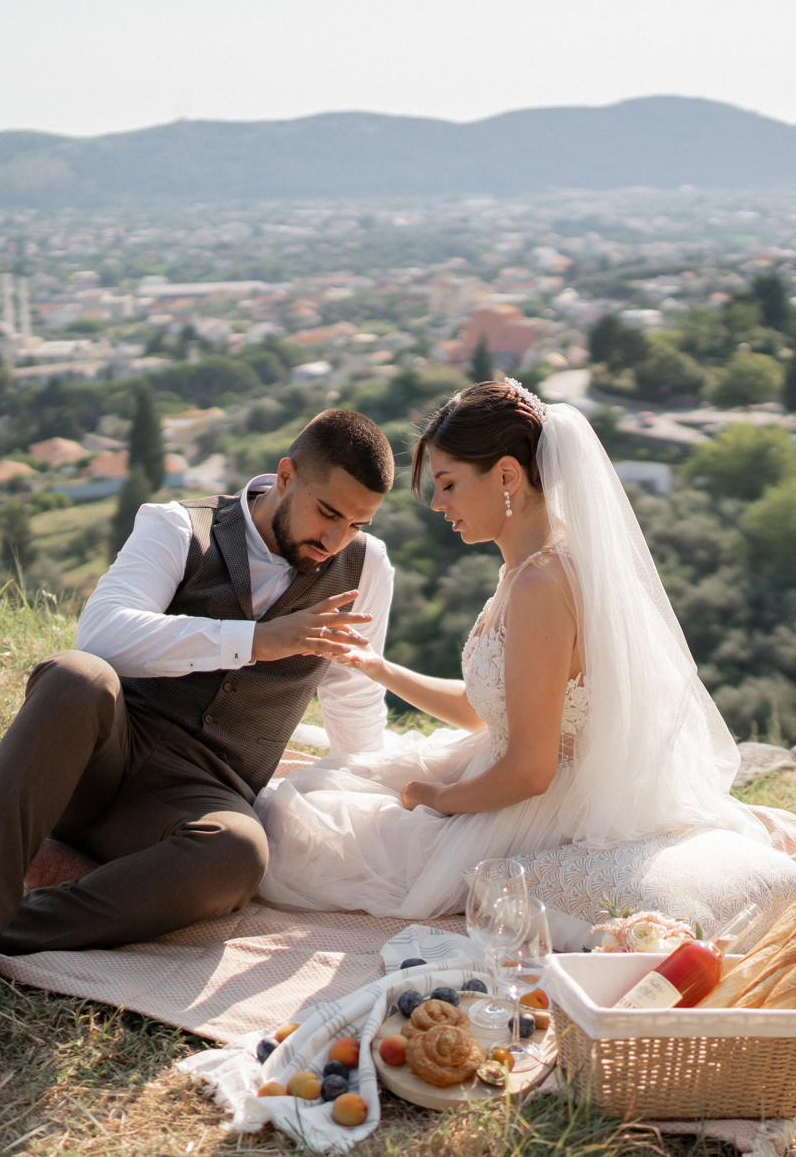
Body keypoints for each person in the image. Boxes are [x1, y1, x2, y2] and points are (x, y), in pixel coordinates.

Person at [0, 409, 398, 1052]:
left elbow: (356, 693)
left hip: (191, 800)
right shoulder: (175, 525)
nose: (337, 538)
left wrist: (376, 798)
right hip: (98, 763)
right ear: (287, 475)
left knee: (240, 852)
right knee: (77, 675)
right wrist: (254, 641)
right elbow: (101, 632)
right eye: (329, 513)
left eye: (357, 523)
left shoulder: (367, 567)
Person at [254, 379, 766, 918]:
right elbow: (482, 710)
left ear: (505, 475)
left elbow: (530, 770)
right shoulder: (531, 567)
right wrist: (376, 666)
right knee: (308, 797)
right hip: (496, 770)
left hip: (537, 807)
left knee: (293, 837)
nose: (436, 504)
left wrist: (435, 799)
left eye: (448, 483)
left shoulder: (541, 586)